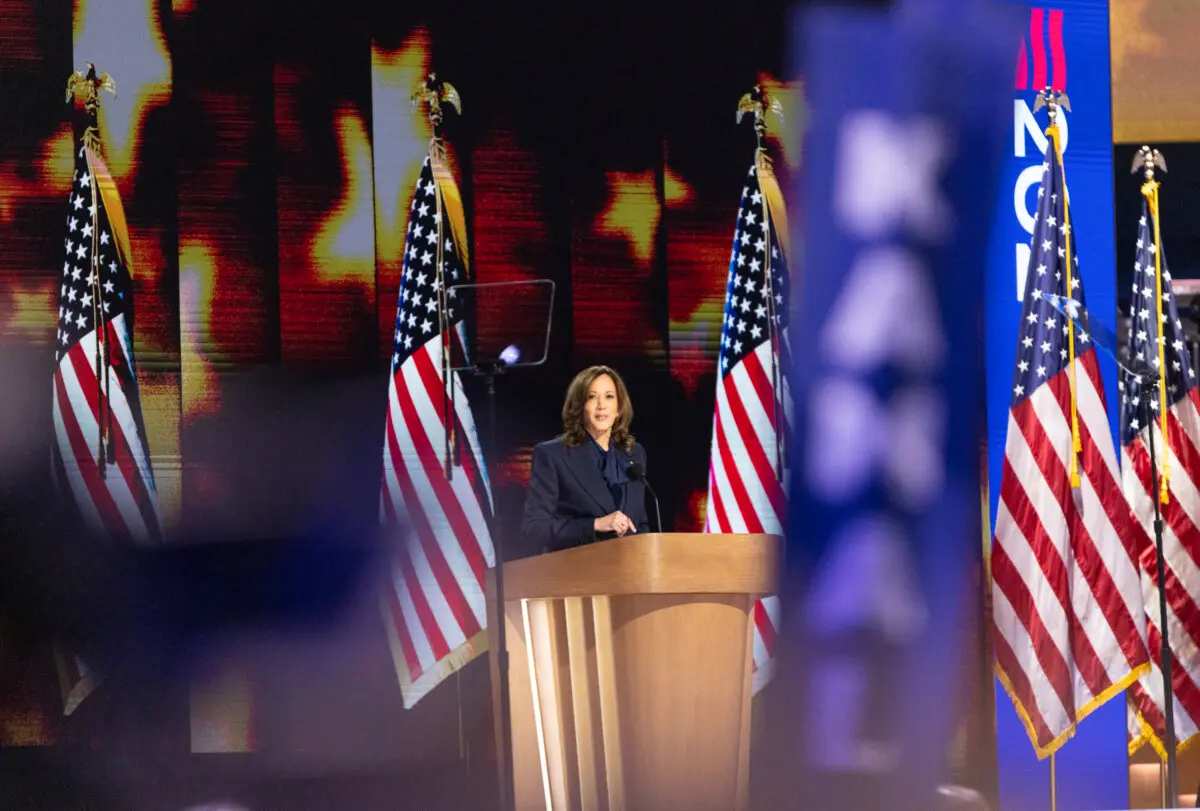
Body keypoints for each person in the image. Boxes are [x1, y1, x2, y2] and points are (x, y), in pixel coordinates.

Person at [521, 365, 651, 553]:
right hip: (578, 573)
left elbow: (641, 523)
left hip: (628, 574)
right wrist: (594, 525)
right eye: (592, 397)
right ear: (579, 406)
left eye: (609, 396)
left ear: (619, 408)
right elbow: (533, 529)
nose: (601, 405)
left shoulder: (634, 453)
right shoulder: (553, 455)